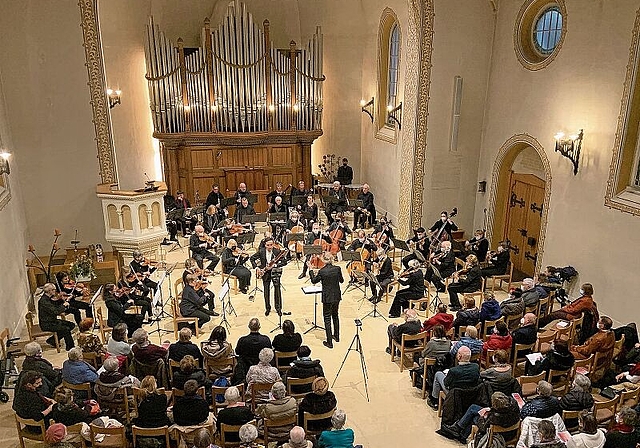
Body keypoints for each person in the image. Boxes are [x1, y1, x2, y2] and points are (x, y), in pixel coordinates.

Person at [437, 391, 520, 445]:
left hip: (501, 434)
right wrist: (490, 410)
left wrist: (483, 416)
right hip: (511, 431)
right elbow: (502, 412)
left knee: (474, 415)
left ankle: (459, 430)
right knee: (473, 408)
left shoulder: (494, 417)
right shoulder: (514, 404)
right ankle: (461, 434)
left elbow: (482, 428)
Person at [308, 252, 344, 349]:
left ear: (323, 260)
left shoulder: (322, 271)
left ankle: (329, 342)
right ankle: (336, 336)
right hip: (336, 296)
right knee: (335, 315)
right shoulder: (337, 269)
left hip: (327, 297)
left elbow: (313, 281)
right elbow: (341, 281)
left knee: (327, 318)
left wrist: (311, 270)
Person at [429, 346, 480, 410]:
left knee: (438, 374)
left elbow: (446, 383)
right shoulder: (476, 367)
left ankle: (434, 401)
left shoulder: (453, 371)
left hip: (454, 394)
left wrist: (447, 376)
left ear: (459, 356)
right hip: (470, 393)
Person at [250, 237, 288, 316]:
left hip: (275, 272)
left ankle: (278, 308)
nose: (270, 247)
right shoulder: (261, 251)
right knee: (266, 291)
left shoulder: (277, 251)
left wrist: (275, 265)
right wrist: (257, 268)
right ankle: (268, 308)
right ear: (265, 245)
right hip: (265, 273)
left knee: (277, 290)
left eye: (271, 245)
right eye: (268, 245)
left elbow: (285, 262)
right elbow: (252, 258)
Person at [38, 283, 76, 349]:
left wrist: (63, 300)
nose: (55, 291)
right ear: (49, 291)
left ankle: (52, 340)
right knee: (65, 329)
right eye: (54, 290)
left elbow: (55, 305)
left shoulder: (48, 298)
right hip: (47, 323)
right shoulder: (44, 301)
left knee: (71, 325)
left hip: (52, 321)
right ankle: (70, 347)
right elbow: (55, 311)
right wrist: (64, 305)